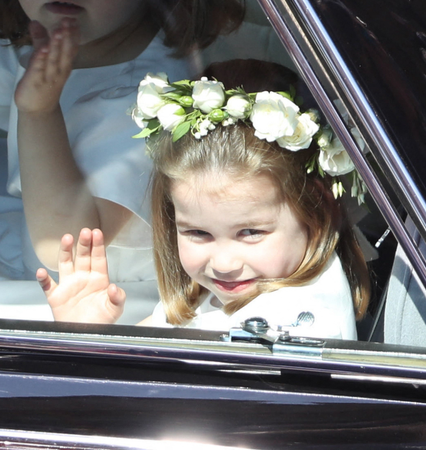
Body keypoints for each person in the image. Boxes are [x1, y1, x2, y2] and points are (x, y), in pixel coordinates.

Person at [36, 65, 371, 339]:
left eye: (250, 232)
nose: (224, 263)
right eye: (198, 233)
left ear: (315, 209)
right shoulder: (240, 291)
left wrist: (90, 346)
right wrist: (85, 333)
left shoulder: (283, 328)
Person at [0, 0, 245, 281]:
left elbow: (65, 248)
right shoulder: (52, 42)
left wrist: (39, 112)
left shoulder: (148, 102)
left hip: (100, 300)